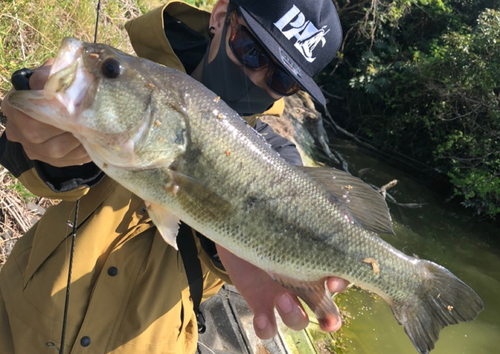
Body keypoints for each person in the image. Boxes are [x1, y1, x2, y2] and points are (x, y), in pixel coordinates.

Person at [0, 0, 347, 353]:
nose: (256, 78)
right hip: (17, 325)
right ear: (220, 16)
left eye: (281, 79)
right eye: (251, 50)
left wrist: (248, 245)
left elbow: (231, 262)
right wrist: (41, 141)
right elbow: (28, 163)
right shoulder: (129, 81)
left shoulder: (280, 163)